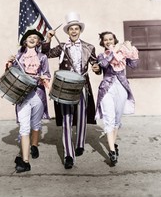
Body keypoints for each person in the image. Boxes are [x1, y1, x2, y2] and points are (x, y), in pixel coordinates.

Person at [42, 12, 100, 169]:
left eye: (76, 28)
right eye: (71, 29)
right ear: (67, 31)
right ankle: (69, 154)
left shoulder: (89, 47)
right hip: (65, 87)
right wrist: (48, 38)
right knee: (67, 119)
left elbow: (96, 66)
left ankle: (80, 143)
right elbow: (46, 53)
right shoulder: (62, 47)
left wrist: (96, 68)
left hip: (82, 86)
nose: (74, 31)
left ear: (80, 30)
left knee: (81, 117)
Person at [6, 29, 51, 173]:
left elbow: (47, 74)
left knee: (36, 123)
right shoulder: (18, 57)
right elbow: (11, 74)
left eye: (35, 38)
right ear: (25, 41)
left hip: (37, 94)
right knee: (24, 127)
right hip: (22, 95)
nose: (32, 39)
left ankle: (35, 145)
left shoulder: (43, 57)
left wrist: (44, 78)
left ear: (38, 42)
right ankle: (25, 161)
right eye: (29, 37)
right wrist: (9, 64)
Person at [95, 31, 139, 165]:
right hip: (107, 89)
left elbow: (134, 65)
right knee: (109, 118)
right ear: (102, 42)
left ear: (114, 40)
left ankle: (113, 145)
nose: (108, 42)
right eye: (105, 40)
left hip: (121, 88)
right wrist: (114, 51)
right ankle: (112, 151)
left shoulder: (122, 54)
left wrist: (129, 49)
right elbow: (103, 65)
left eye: (111, 39)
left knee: (117, 119)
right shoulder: (102, 55)